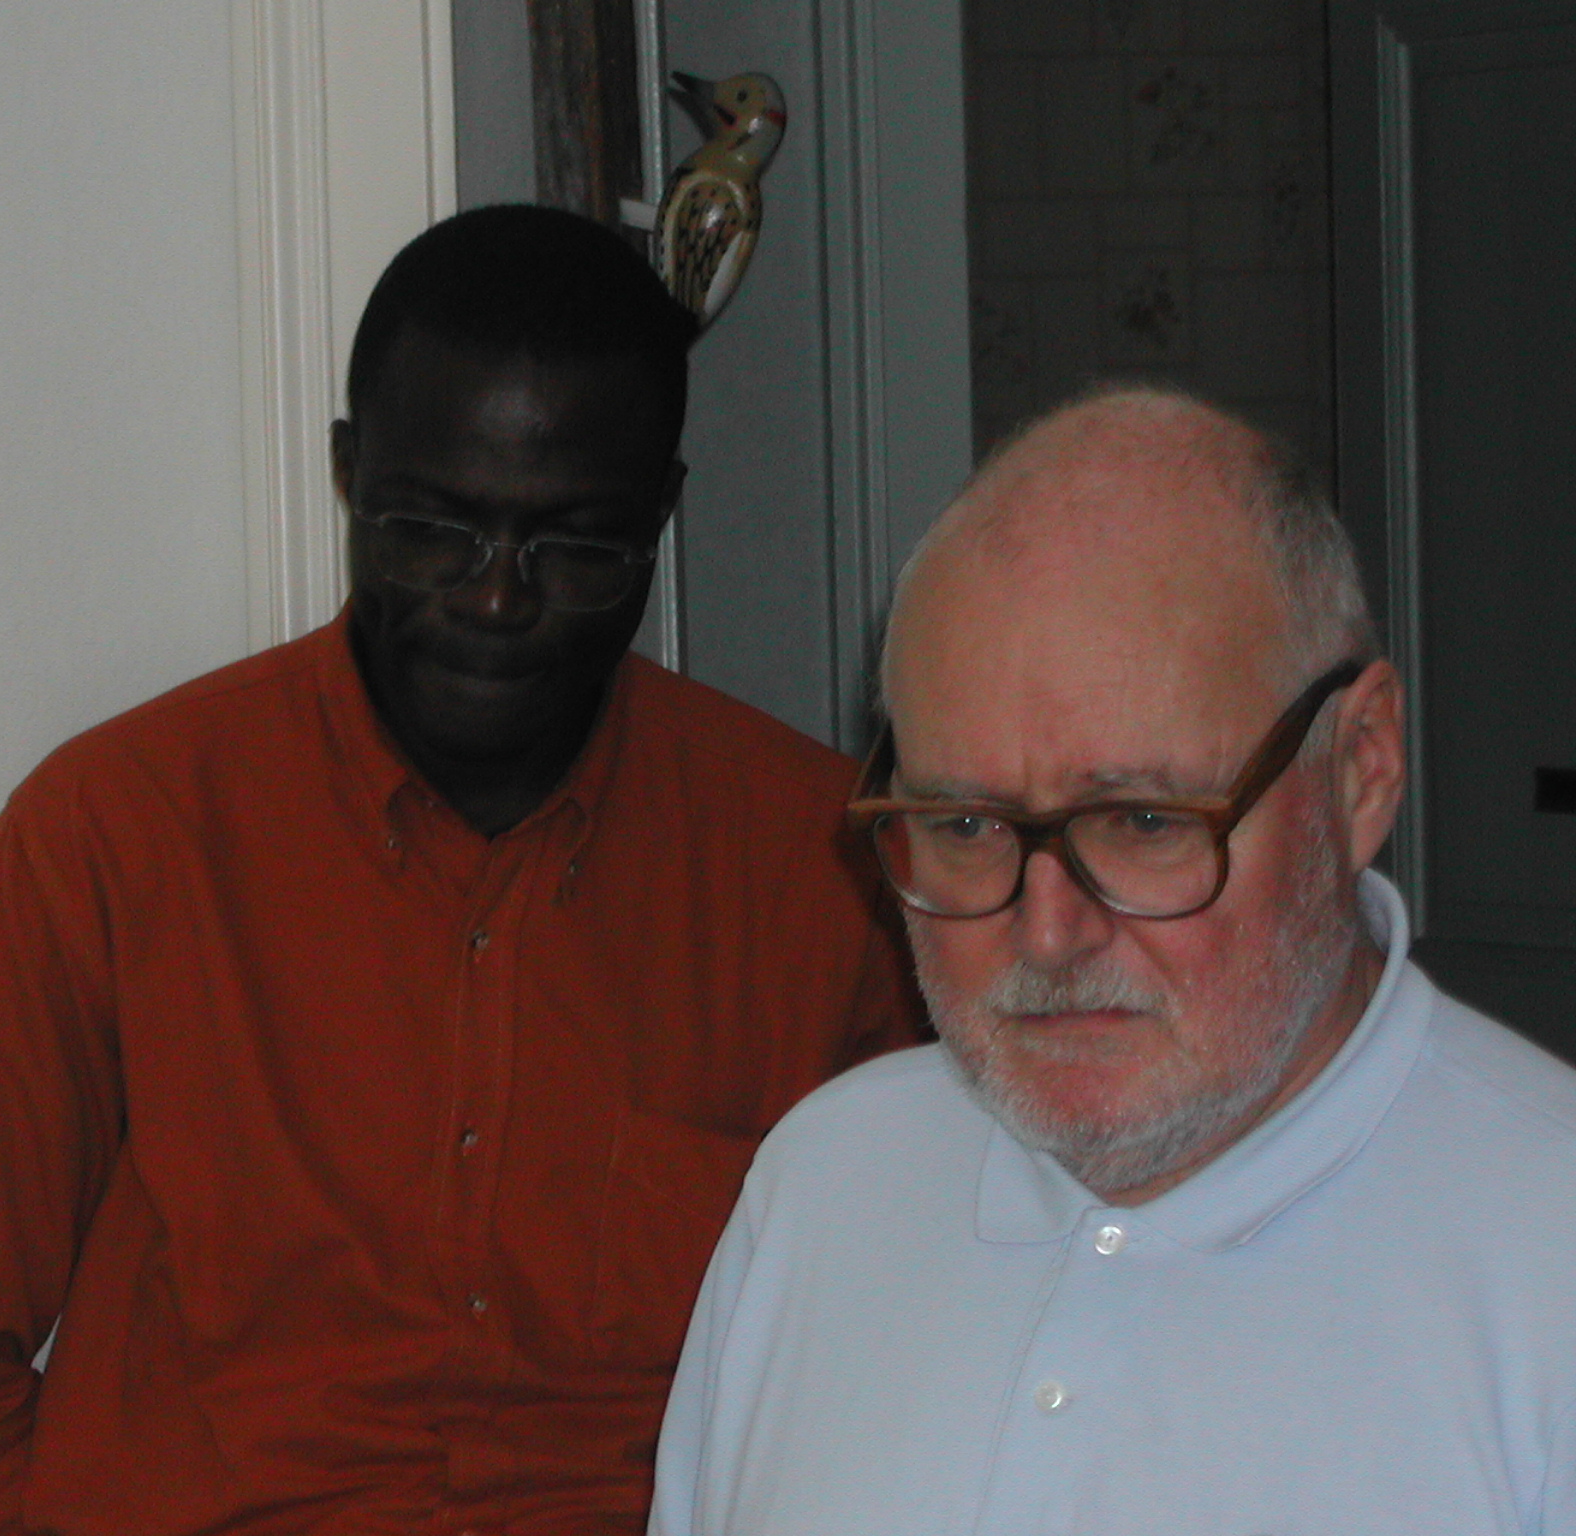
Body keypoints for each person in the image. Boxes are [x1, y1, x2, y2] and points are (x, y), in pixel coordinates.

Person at [0, 204, 918, 1535]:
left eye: (574, 546)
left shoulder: (822, 868)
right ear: (348, 475)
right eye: (432, 531)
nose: (495, 598)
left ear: (660, 513)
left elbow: (916, 1368)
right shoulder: (116, 840)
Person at [648, 383, 1576, 1535]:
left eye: (1141, 822)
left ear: (1358, 770)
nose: (1047, 934)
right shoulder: (822, 1185)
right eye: (964, 825)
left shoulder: (1549, 1261)